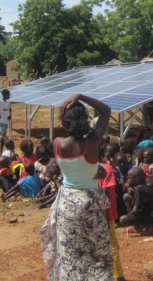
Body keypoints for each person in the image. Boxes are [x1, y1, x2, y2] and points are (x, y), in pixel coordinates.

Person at [40, 93, 113, 281]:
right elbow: (106, 110)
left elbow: (74, 168)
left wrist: (95, 169)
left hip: (66, 205)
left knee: (70, 256)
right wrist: (81, 96)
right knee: (100, 256)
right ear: (85, 119)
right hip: (89, 203)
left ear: (64, 124)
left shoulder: (57, 144)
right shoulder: (92, 142)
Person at [98, 155, 126, 281]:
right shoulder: (106, 168)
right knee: (112, 246)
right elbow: (105, 193)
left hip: (90, 213)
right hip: (105, 214)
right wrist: (105, 218)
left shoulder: (86, 169)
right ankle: (118, 276)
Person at [120, 168, 153, 235]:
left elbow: (135, 211)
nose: (127, 180)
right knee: (126, 196)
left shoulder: (140, 188)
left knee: (123, 219)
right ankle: (137, 227)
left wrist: (129, 217)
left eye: (129, 178)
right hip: (148, 213)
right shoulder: (143, 187)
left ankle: (151, 226)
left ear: (137, 179)